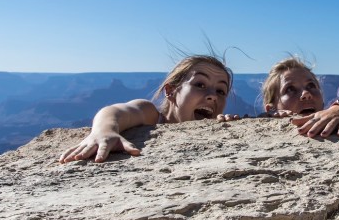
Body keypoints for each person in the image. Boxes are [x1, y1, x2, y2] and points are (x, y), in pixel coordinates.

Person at [59, 55, 232, 163]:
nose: (213, 95)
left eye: (220, 91)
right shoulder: (151, 115)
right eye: (200, 84)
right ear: (171, 91)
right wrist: (104, 131)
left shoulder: (216, 125)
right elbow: (116, 111)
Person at [258, 57, 339, 139]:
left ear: (322, 99)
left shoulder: (338, 120)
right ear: (271, 108)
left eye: (311, 85)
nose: (306, 94)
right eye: (290, 89)